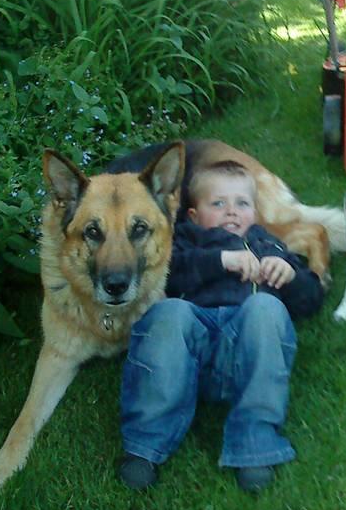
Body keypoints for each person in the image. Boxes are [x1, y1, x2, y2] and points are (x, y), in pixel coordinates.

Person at [118, 159, 324, 493]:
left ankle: (254, 443)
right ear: (194, 215)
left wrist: (290, 276)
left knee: (265, 307)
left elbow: (310, 299)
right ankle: (145, 446)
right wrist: (220, 261)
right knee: (169, 313)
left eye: (242, 203)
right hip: (185, 357)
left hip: (244, 353)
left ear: (255, 214)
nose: (232, 212)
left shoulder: (268, 245)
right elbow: (163, 274)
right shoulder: (183, 241)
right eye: (219, 203)